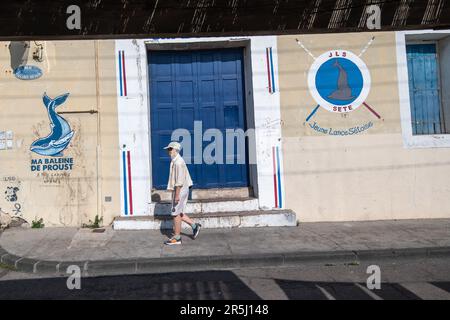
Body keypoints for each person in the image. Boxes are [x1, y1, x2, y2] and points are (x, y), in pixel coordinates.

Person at [163, 141, 201, 245]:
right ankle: (194, 226)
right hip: (181, 189)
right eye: (168, 149)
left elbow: (179, 181)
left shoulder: (178, 162)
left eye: (170, 149)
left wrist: (177, 195)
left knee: (175, 214)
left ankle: (177, 238)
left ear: (176, 150)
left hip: (180, 190)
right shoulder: (175, 160)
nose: (168, 151)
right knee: (178, 212)